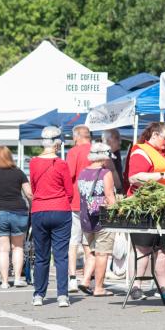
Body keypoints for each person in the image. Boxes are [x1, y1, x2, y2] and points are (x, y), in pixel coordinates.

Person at [125, 122, 165, 300]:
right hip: (142, 207)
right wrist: (162, 176)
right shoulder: (141, 152)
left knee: (162, 250)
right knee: (142, 249)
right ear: (155, 135)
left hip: (161, 206)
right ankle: (136, 287)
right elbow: (134, 177)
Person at [29, 126, 73, 307]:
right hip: (60, 208)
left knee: (41, 255)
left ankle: (39, 294)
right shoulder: (62, 164)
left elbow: (33, 188)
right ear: (57, 143)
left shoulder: (33, 163)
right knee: (61, 256)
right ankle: (62, 294)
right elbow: (69, 191)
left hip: (39, 209)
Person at [0, 146, 33, 289]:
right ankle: (18, 278)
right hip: (18, 211)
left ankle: (5, 281)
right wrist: (32, 207)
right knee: (18, 247)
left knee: (2, 250)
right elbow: (29, 193)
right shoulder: (18, 173)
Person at [76, 143, 117, 297]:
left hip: (86, 217)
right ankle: (99, 287)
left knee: (92, 252)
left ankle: (85, 280)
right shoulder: (105, 173)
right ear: (103, 157)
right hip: (102, 218)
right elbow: (109, 196)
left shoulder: (83, 173)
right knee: (102, 253)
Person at [66, 124, 93, 294]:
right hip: (95, 202)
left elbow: (68, 175)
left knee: (73, 242)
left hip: (76, 201)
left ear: (76, 137)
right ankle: (87, 279)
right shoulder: (98, 150)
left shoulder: (74, 152)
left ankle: (72, 279)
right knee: (89, 244)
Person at [101, 128, 124, 193]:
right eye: (117, 138)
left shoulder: (115, 153)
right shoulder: (103, 155)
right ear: (107, 141)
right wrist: (120, 189)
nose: (120, 141)